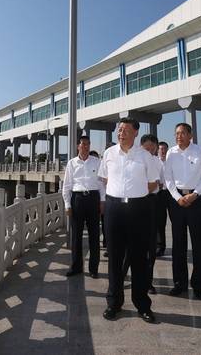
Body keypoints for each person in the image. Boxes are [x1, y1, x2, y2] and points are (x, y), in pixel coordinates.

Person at [99, 117, 160, 323]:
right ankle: (113, 303)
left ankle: (142, 305)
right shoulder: (109, 153)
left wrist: (135, 194)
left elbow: (153, 183)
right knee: (114, 258)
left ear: (135, 133)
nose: (121, 133)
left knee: (139, 259)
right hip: (114, 208)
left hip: (138, 208)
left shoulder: (145, 156)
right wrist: (118, 194)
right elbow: (105, 179)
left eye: (125, 130)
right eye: (119, 130)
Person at [164, 123, 201, 300]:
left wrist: (195, 194)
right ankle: (179, 283)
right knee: (178, 244)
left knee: (199, 244)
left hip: (197, 200)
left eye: (183, 133)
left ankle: (199, 286)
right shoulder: (171, 153)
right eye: (176, 133)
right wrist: (178, 197)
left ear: (190, 135)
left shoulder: (200, 151)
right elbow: (168, 178)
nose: (179, 136)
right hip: (177, 201)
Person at [122, 134, 163, 294]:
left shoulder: (158, 163)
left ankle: (148, 282)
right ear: (141, 146)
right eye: (147, 146)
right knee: (129, 243)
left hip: (152, 203)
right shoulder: (133, 160)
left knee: (150, 245)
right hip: (134, 203)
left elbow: (159, 183)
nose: (150, 149)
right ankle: (121, 277)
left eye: (153, 146)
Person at [63, 136, 105, 279]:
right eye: (83, 144)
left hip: (93, 199)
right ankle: (76, 267)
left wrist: (102, 201)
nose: (85, 147)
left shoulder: (97, 162)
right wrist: (67, 204)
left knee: (94, 235)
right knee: (76, 236)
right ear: (78, 146)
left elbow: (101, 184)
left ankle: (94, 268)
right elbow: (67, 186)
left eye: (88, 144)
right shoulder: (72, 163)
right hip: (78, 199)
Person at [156, 141, 171, 256]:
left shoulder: (172, 162)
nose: (163, 151)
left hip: (172, 193)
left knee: (176, 221)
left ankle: (179, 246)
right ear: (158, 150)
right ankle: (160, 246)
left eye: (165, 149)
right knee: (160, 222)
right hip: (159, 194)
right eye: (161, 149)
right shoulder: (154, 162)